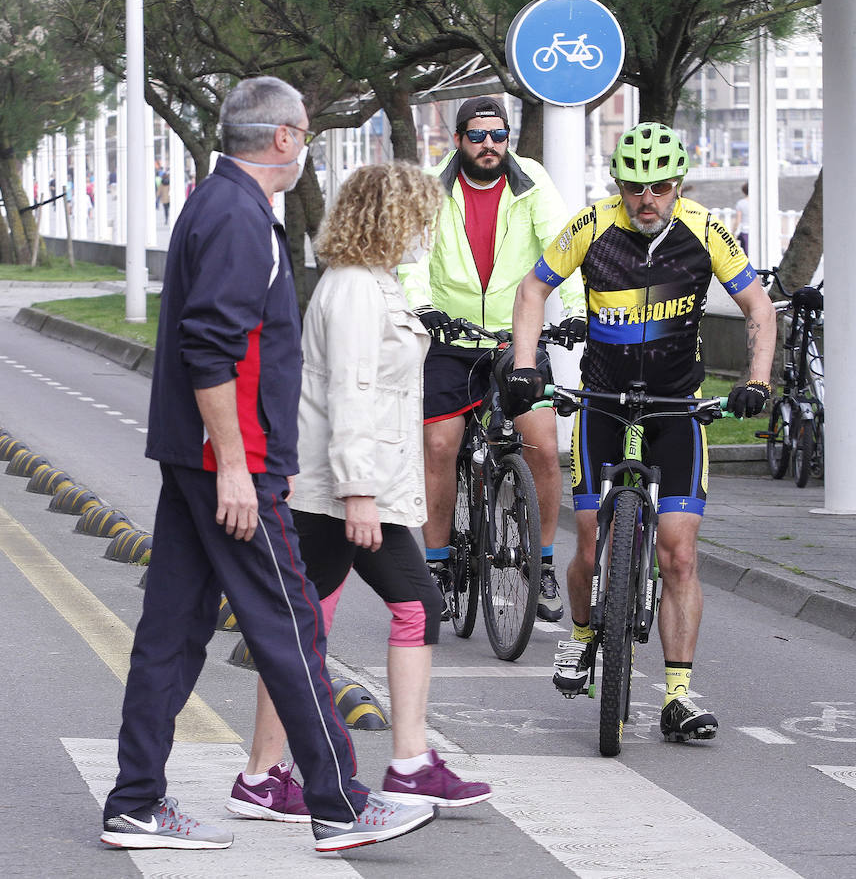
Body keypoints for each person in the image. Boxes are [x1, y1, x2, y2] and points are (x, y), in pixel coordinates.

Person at [100, 76, 435, 853]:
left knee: (174, 631)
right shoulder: (239, 218)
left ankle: (135, 801)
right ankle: (340, 804)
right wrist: (237, 468)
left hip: (206, 457)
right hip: (231, 464)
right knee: (289, 627)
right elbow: (210, 352)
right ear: (283, 138)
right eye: (306, 130)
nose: (307, 142)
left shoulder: (223, 206)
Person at [226, 162, 491, 826]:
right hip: (340, 494)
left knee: (315, 627)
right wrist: (360, 494)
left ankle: (273, 774)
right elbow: (351, 395)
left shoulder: (376, 286)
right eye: (417, 216)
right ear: (387, 217)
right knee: (400, 609)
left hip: (348, 491)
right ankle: (398, 765)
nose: (424, 230)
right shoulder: (352, 292)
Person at [508, 122, 775, 743]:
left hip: (675, 406)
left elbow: (759, 309)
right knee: (590, 538)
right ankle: (579, 639)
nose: (646, 199)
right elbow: (532, 288)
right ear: (619, 187)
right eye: (634, 187)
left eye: (658, 187)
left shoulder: (707, 230)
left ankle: (678, 695)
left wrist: (758, 380)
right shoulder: (591, 226)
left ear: (677, 184)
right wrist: (525, 368)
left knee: (679, 554)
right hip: (603, 403)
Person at [399, 96, 584, 623]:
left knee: (544, 447)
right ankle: (436, 566)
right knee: (440, 443)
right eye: (477, 136)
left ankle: (542, 561)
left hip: (516, 339)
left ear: (509, 140)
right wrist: (423, 309)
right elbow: (412, 259)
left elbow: (562, 246)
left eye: (498, 136)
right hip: (450, 339)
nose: (489, 146)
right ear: (458, 140)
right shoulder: (430, 189)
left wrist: (573, 310)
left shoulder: (532, 183)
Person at [733, 182, 750, 254]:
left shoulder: (741, 203)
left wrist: (733, 232)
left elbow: (738, 220)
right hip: (757, 231)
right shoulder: (758, 202)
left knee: (748, 254)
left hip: (745, 231)